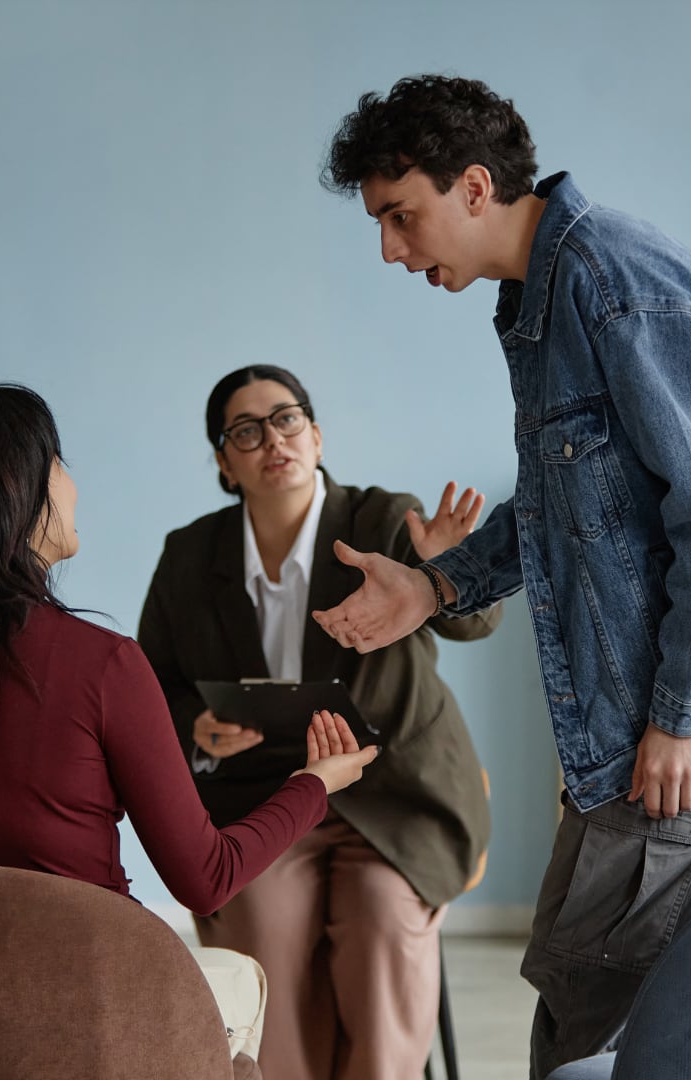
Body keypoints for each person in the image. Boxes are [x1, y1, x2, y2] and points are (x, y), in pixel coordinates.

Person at [314, 74, 691, 1078]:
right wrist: (434, 587)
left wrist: (684, 712)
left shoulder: (613, 280)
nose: (392, 251)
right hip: (650, 716)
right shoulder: (545, 298)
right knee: (587, 987)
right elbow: (570, 512)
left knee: (614, 993)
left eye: (402, 217)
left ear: (474, 186)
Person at [0, 382, 379, 1062]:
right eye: (57, 466)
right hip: (95, 1027)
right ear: (14, 497)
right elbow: (206, 877)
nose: (71, 486)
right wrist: (315, 784)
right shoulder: (101, 666)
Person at [138, 365, 500, 1080]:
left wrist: (443, 575)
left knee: (378, 929)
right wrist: (196, 728)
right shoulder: (190, 555)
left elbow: (478, 624)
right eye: (246, 430)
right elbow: (156, 686)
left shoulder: (384, 522)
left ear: (316, 433)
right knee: (257, 930)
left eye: (287, 418)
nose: (273, 439)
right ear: (223, 462)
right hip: (264, 799)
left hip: (397, 795)